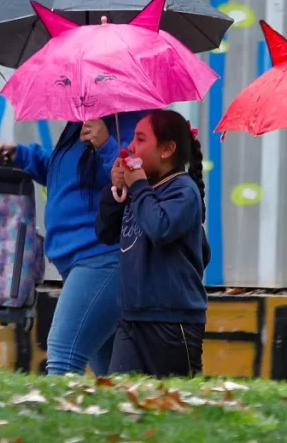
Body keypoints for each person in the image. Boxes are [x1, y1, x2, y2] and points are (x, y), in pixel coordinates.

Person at [0, 112, 144, 376]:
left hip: (103, 258)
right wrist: (24, 157)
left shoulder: (132, 121)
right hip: (79, 261)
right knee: (112, 377)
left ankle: (51, 417)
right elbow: (67, 173)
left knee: (63, 357)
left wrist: (106, 145)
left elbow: (138, 181)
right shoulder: (82, 122)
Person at [94, 109, 209, 378]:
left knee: (174, 405)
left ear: (167, 149)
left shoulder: (183, 190)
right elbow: (105, 233)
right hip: (132, 317)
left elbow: (160, 228)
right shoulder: (142, 189)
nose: (130, 147)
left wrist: (139, 187)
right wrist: (117, 190)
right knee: (120, 399)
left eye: (140, 139)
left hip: (172, 321)